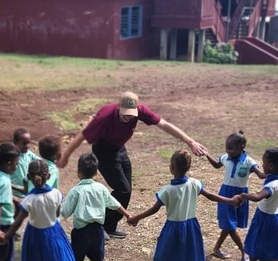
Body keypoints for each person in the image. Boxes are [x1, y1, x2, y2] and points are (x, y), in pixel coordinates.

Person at [57, 91, 205, 240]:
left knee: (126, 191)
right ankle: (97, 226)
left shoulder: (139, 111)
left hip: (120, 149)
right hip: (103, 151)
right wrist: (66, 156)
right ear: (118, 107)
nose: (128, 117)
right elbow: (82, 135)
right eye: (125, 114)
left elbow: (164, 124)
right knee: (122, 189)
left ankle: (108, 227)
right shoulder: (105, 116)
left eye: (131, 114)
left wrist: (190, 141)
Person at [128, 149, 240, 261]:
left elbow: (154, 209)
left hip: (172, 228)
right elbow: (211, 196)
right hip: (191, 227)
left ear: (172, 167)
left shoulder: (168, 190)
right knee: (188, 256)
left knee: (162, 255)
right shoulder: (194, 184)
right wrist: (230, 201)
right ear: (188, 167)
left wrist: (136, 218)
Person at [2, 160, 77, 261]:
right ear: (48, 176)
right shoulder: (56, 194)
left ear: (29, 177)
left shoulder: (29, 199)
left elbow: (18, 221)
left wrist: (7, 235)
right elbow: (56, 212)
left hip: (35, 233)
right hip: (53, 231)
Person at [59, 152, 132, 261]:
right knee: (98, 260)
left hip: (81, 232)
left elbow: (65, 212)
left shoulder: (76, 191)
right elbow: (114, 204)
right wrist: (128, 214)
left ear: (78, 172)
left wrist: (54, 217)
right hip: (98, 230)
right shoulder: (101, 188)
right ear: (97, 172)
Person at [204, 131, 264, 261]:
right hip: (225, 192)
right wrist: (206, 154)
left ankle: (217, 248)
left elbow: (260, 175)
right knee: (229, 225)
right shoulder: (226, 157)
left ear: (241, 147)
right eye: (226, 147)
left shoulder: (249, 162)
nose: (227, 151)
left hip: (241, 195)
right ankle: (245, 252)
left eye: (231, 148)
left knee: (230, 224)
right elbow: (216, 164)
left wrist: (275, 175)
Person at [10, 127, 38, 200]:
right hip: (14, 193)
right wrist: (18, 189)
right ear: (15, 143)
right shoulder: (11, 157)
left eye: (28, 142)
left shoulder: (29, 154)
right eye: (24, 143)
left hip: (26, 193)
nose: (27, 146)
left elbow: (40, 161)